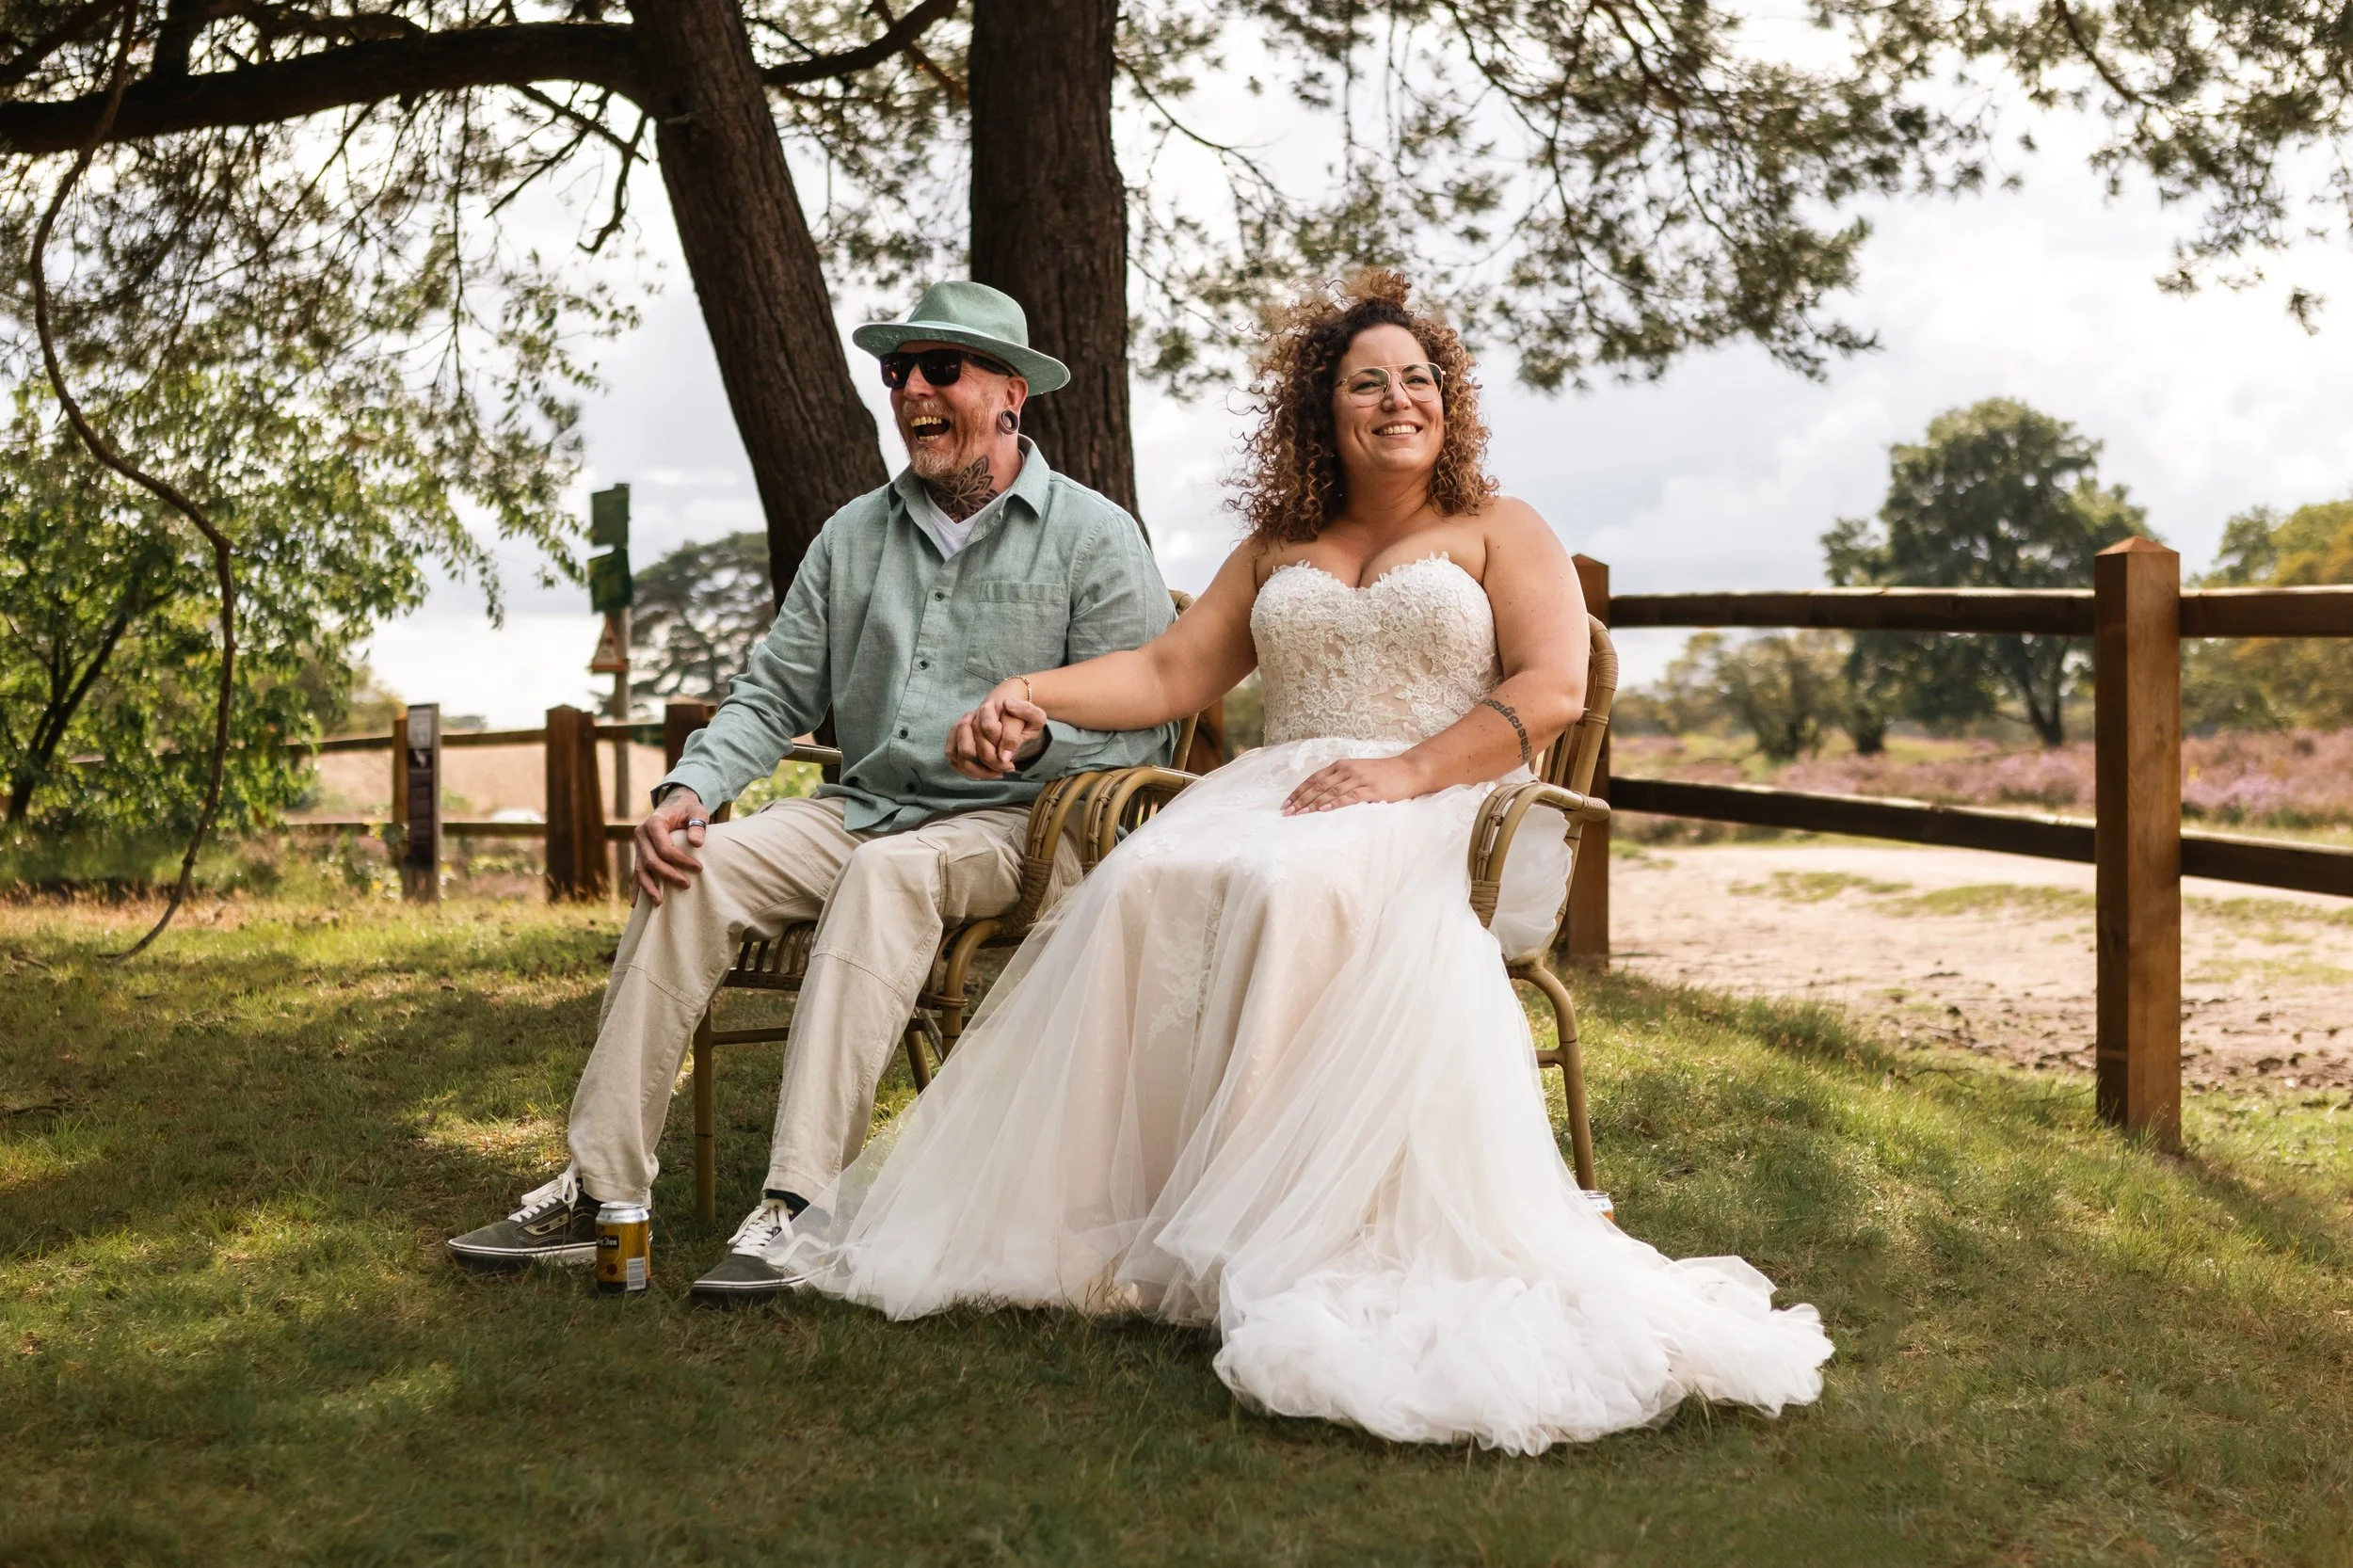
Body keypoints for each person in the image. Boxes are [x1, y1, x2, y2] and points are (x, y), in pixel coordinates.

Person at [764, 270, 1833, 1453]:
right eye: (1366, 383)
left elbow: (1550, 688)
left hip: (1448, 802)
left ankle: (1264, 1224)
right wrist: (1029, 689)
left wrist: (1406, 770)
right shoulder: (1279, 541)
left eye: (1417, 379)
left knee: (1289, 888)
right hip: (1282, 791)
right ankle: (1125, 1212)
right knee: (1141, 880)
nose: (1397, 400)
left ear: (1448, 402)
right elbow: (1169, 672)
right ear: (1322, 409)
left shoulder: (1500, 525)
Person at [445, 280, 1180, 1298]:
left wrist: (1037, 735)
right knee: (694, 867)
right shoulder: (851, 536)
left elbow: (1148, 726)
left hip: (1018, 829)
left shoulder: (1095, 535)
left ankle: (801, 1210)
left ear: (1010, 394)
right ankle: (600, 1193)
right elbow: (770, 696)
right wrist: (687, 791)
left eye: (939, 368)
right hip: (869, 809)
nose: (911, 391)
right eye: (897, 371)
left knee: (887, 875)